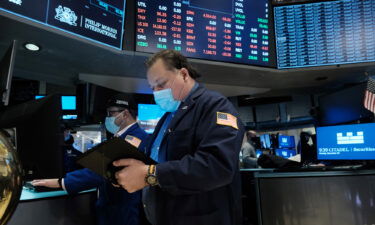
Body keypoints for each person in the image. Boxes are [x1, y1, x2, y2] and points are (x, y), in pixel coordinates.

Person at [112, 50, 245, 225]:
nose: (156, 93)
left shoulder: (214, 105)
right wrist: (131, 172)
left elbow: (217, 166)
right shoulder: (167, 117)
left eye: (161, 84)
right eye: (153, 88)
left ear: (183, 74)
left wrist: (149, 174)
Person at [32, 94, 149, 225]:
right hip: (111, 207)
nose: (108, 117)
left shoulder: (135, 138)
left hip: (122, 210)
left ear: (125, 114)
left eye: (111, 113)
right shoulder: (120, 137)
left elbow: (102, 171)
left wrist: (61, 182)